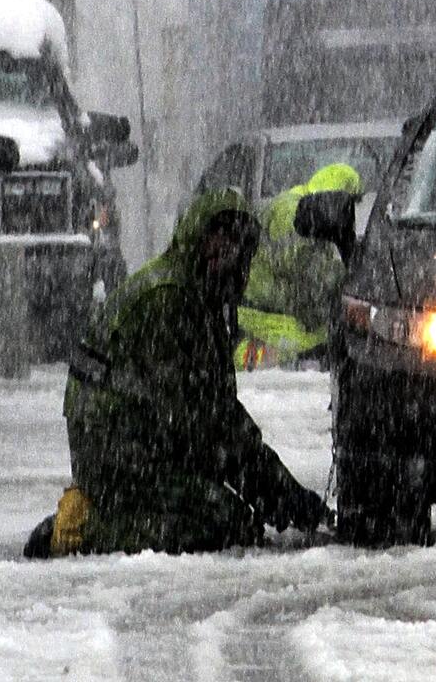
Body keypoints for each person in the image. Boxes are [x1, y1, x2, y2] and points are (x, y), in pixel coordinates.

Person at [24, 190, 329, 557]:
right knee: (223, 522)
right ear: (197, 238)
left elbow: (216, 412)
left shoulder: (199, 297)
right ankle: (81, 529)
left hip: (140, 438)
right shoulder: (171, 301)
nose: (228, 254)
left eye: (238, 245)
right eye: (220, 238)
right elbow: (201, 422)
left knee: (227, 511)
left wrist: (283, 495)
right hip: (117, 451)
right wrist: (279, 496)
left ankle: (112, 510)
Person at [235, 162, 362, 368]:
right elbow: (306, 267)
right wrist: (346, 275)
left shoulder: (305, 211)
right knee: (315, 347)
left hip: (273, 306)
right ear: (334, 202)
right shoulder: (292, 214)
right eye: (348, 205)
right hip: (264, 313)